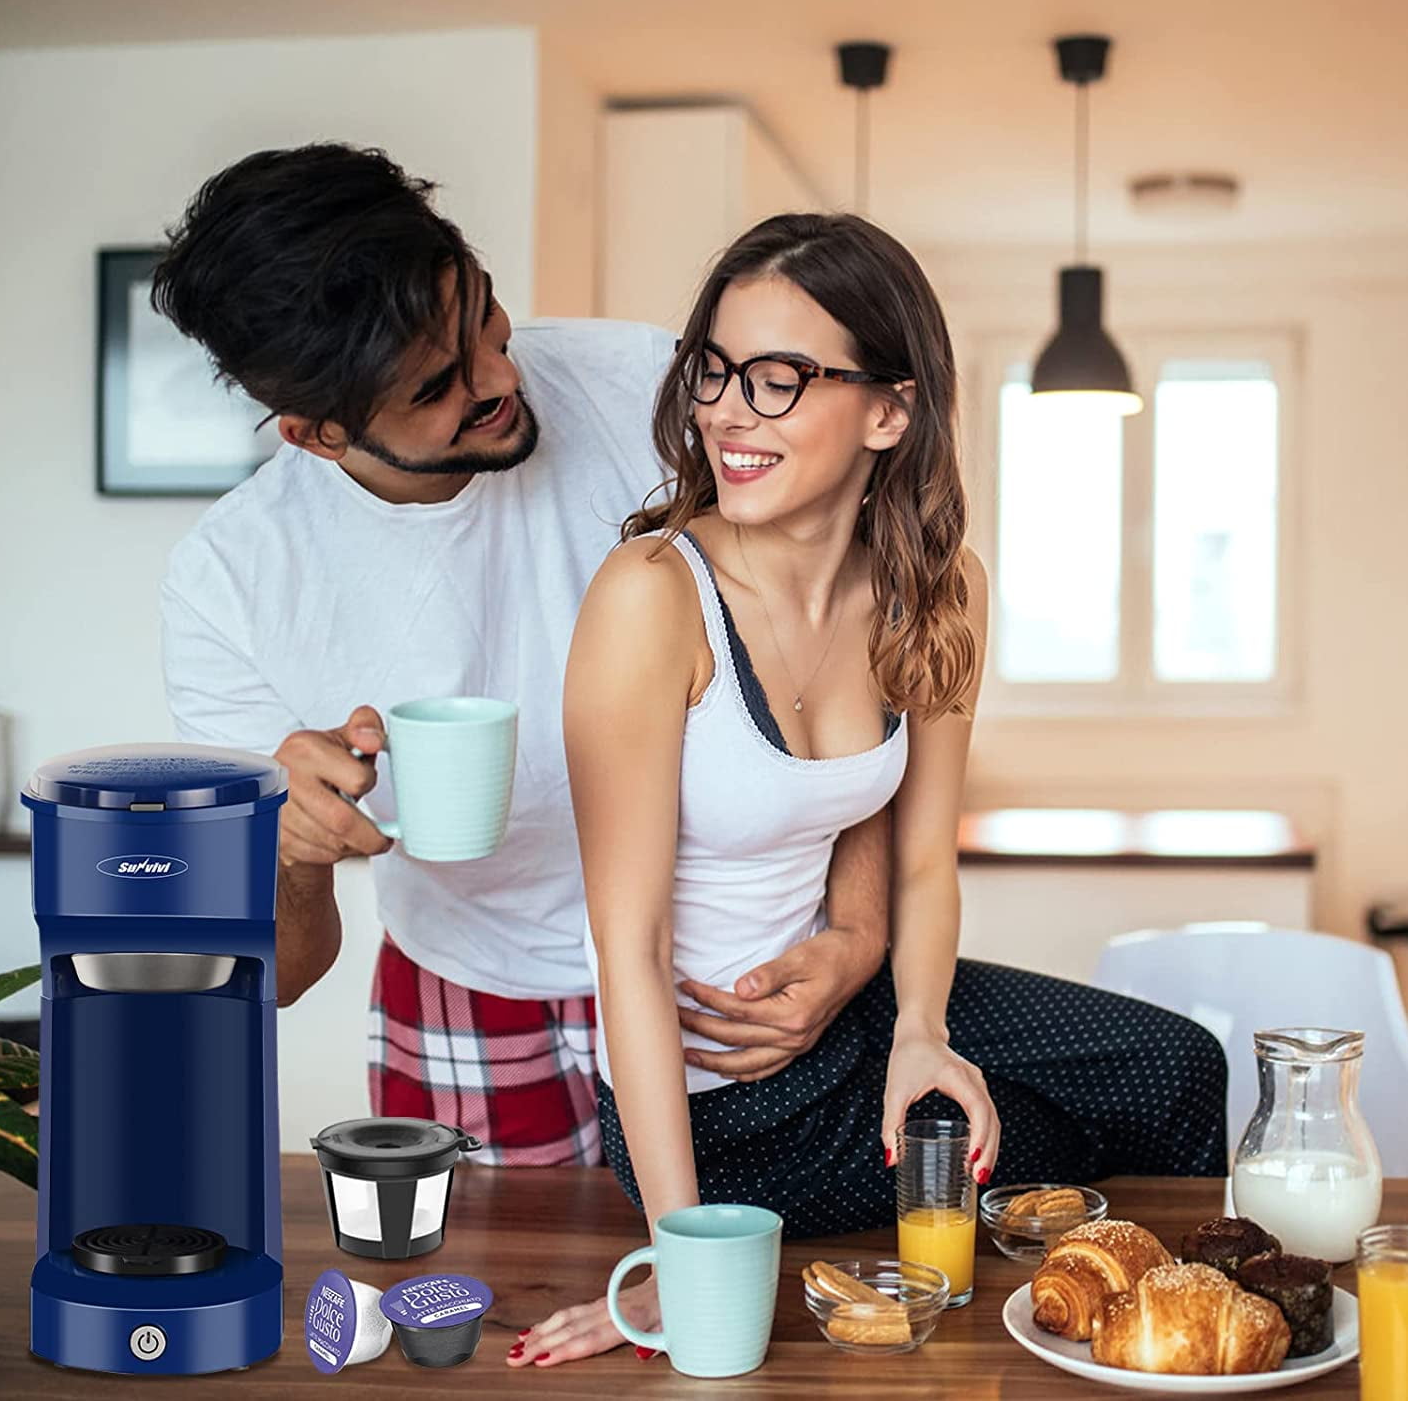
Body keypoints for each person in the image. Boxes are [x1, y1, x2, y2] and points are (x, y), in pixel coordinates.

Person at [509, 213, 1228, 1369]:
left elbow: (925, 858)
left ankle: (1183, 1332)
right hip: (721, 1107)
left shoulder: (935, 589)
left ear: (889, 412)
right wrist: (685, 1259)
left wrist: (922, 1034)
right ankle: (1122, 1324)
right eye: (714, 371)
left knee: (1178, 1070)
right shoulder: (651, 595)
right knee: (1046, 1155)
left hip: (858, 1019)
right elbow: (627, 947)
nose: (728, 412)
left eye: (780, 378)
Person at [155, 145, 892, 1167]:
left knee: (755, 1261)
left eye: (486, 319)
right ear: (317, 433)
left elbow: (860, 657)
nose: (501, 378)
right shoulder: (230, 585)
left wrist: (857, 933)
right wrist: (290, 851)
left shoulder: (653, 387)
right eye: (437, 386)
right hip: (468, 987)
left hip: (731, 970)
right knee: (497, 1268)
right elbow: (278, 973)